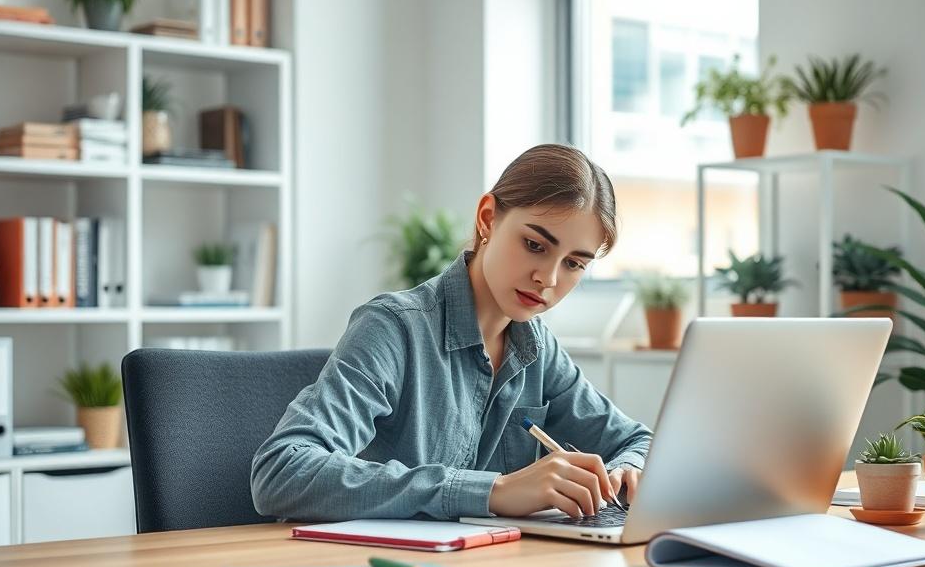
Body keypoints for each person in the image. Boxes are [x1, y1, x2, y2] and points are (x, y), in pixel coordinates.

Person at [251, 144, 653, 522]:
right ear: (487, 218)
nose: (547, 278)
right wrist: (492, 491)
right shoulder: (394, 328)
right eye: (534, 244)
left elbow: (639, 441)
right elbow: (282, 469)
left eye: (574, 264)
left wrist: (626, 472)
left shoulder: (538, 348)